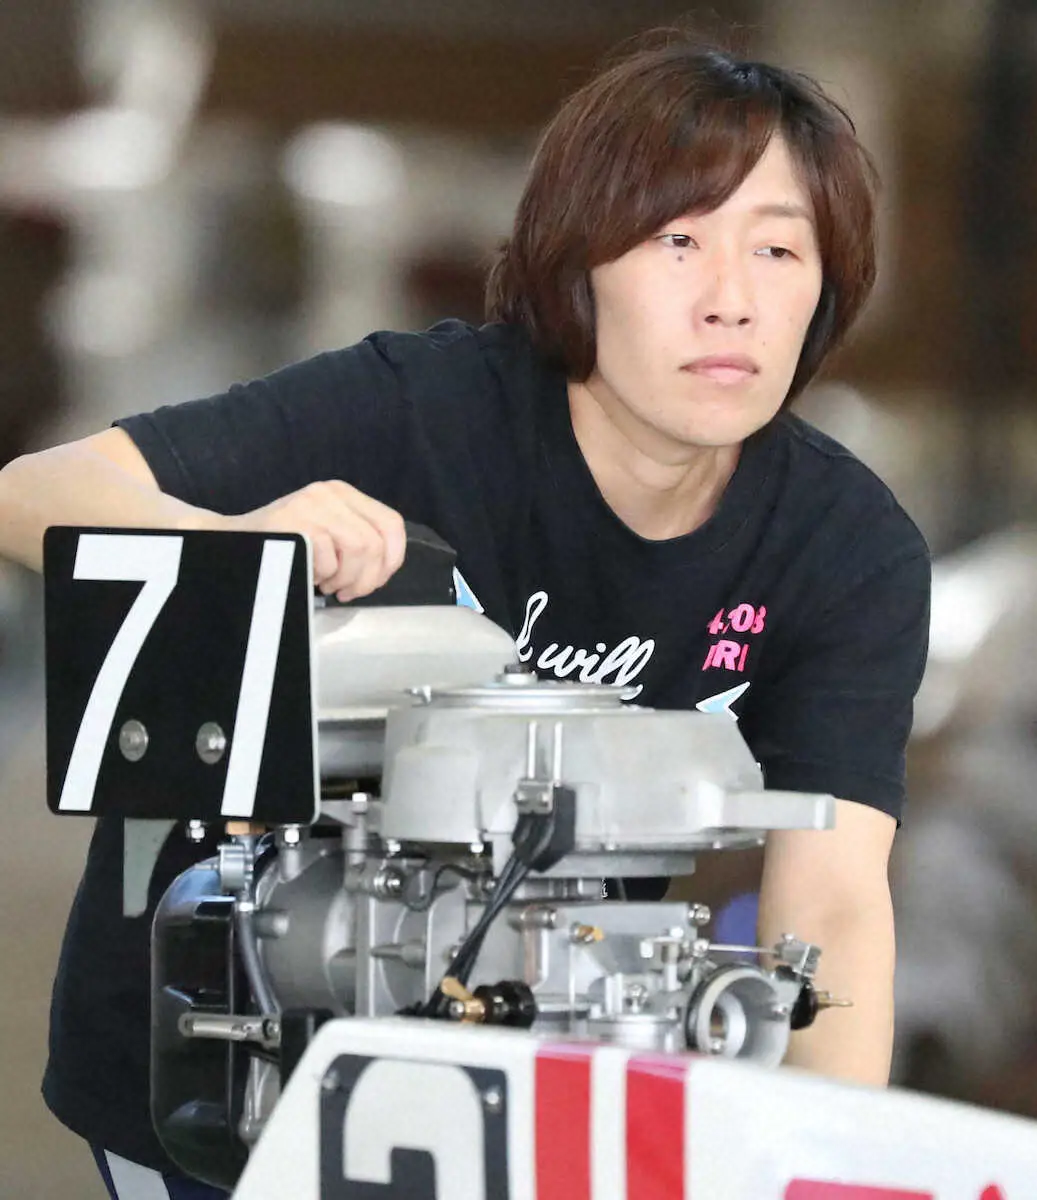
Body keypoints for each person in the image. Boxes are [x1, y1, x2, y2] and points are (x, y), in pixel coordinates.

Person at [0, 31, 930, 1200]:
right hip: (213, 1062)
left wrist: (831, 1168)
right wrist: (235, 548)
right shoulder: (417, 409)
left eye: (778, 250)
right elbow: (31, 493)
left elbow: (831, 898)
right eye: (677, 241)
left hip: (528, 1064)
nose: (730, 302)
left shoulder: (843, 550)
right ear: (578, 262)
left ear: (825, 288)